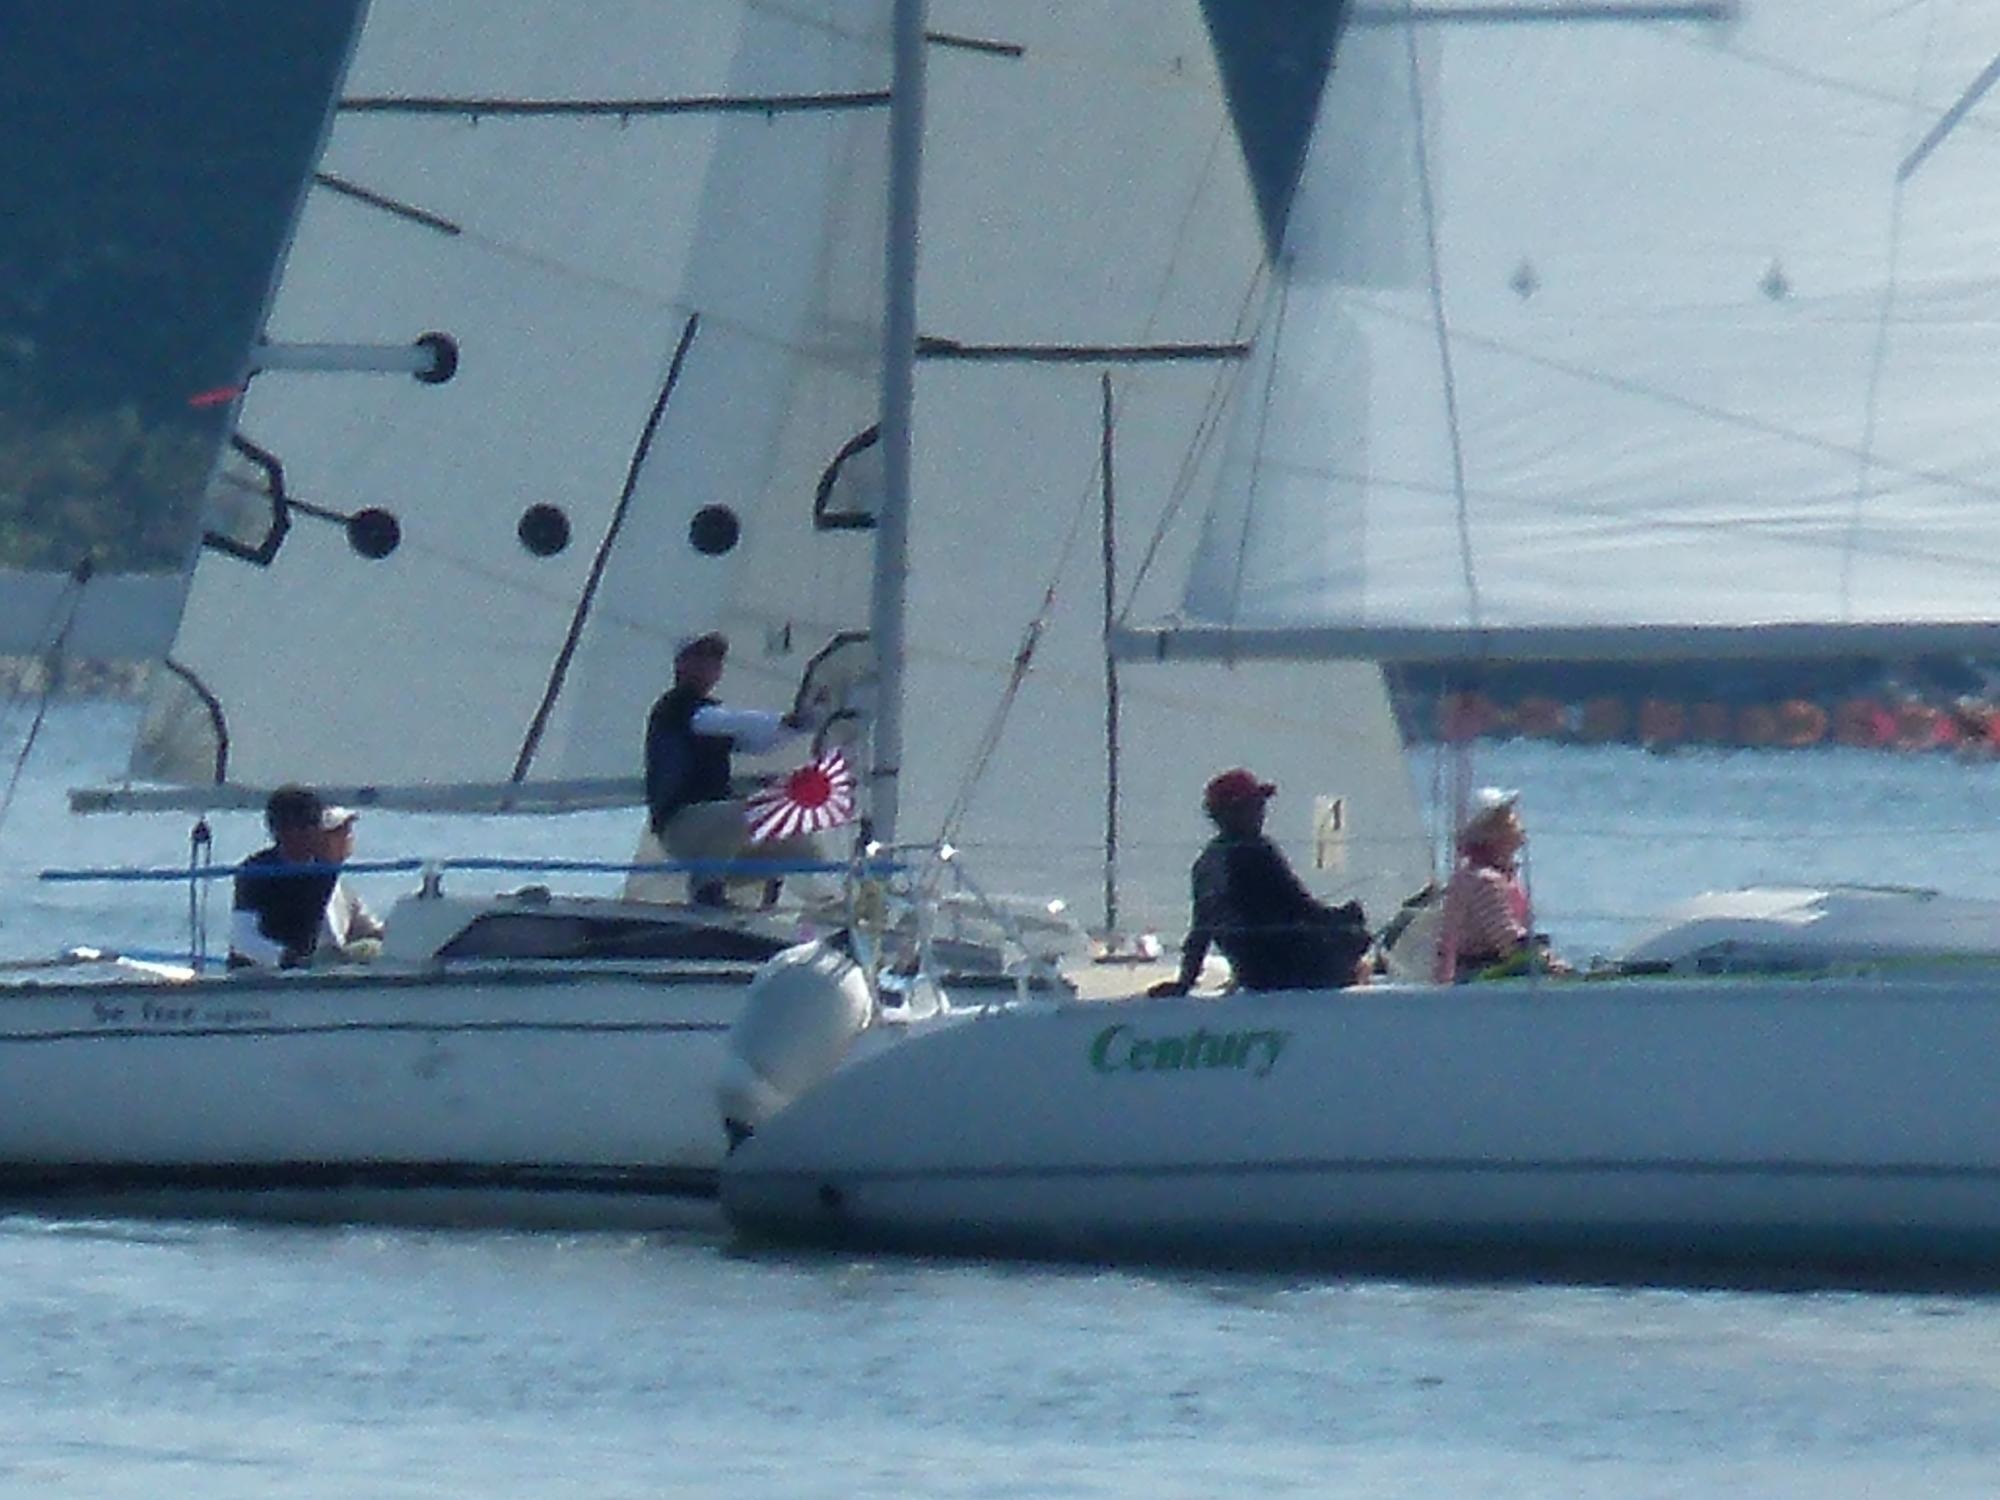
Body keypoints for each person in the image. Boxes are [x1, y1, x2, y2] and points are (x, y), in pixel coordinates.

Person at [1147, 768, 1372, 996]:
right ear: (1229, 813)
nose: (1261, 813)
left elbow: (1201, 932)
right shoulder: (1257, 851)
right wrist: (1345, 919)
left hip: (1252, 974)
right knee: (1355, 953)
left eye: (1260, 805)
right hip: (1290, 968)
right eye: (1254, 805)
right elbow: (1299, 907)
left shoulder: (1207, 862)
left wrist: (1185, 981)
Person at [644, 632, 817, 907]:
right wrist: (790, 721)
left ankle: (824, 901)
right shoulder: (676, 707)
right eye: (700, 656)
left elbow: (758, 742)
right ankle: (706, 890)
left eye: (715, 659)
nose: (709, 664)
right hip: (680, 825)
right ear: (681, 664)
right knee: (749, 811)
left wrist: (798, 726)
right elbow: (727, 722)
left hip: (719, 833)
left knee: (796, 837)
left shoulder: (709, 715)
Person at [1443, 786, 1565, 979]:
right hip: (1481, 975)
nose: (1517, 821)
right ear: (1492, 833)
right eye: (1509, 819)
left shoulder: (1483, 874)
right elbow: (1509, 942)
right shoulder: (1484, 881)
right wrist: (1553, 965)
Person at [230, 785, 340, 969]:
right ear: (278, 830)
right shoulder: (255, 871)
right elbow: (242, 939)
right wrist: (285, 958)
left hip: (308, 974)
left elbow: (325, 924)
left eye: (314, 823)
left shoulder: (324, 871)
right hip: (254, 974)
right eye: (301, 825)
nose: (313, 832)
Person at [313, 805, 385, 964]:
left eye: (348, 831)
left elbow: (370, 927)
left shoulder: (342, 889)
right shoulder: (308, 883)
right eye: (339, 832)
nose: (348, 837)